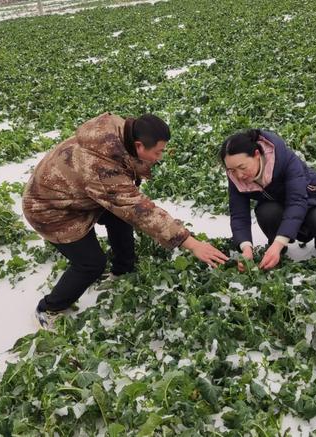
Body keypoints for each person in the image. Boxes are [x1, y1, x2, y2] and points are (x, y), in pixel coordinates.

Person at [23, 112, 228, 328]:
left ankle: (123, 270)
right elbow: (140, 210)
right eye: (157, 152)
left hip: (78, 195)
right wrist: (192, 243)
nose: (160, 158)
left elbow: (125, 192)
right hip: (49, 210)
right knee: (91, 264)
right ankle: (48, 308)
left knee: (120, 217)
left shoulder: (120, 131)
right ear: (139, 145)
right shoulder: (101, 169)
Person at [219, 129, 316, 270]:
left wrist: (279, 243)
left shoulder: (284, 160)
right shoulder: (235, 176)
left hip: (314, 200)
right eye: (231, 170)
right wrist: (246, 248)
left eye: (242, 167)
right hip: (283, 206)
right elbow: (239, 214)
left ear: (257, 155)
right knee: (266, 211)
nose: (238, 175)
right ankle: (277, 251)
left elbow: (297, 202)